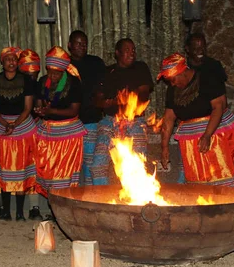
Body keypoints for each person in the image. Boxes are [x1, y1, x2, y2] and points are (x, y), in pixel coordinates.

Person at [158, 53, 234, 188]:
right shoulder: (173, 90)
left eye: (173, 79)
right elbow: (168, 118)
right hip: (190, 143)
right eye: (169, 81)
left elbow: (219, 106)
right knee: (197, 183)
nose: (172, 84)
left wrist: (207, 135)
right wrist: (164, 147)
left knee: (220, 178)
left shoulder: (208, 78)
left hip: (216, 136)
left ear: (183, 71)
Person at [91, 38, 154, 185]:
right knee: (97, 164)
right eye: (127, 50)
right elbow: (98, 100)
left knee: (138, 163)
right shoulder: (107, 72)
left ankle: (136, 200)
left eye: (133, 50)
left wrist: (124, 98)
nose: (131, 53)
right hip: (110, 120)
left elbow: (144, 93)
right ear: (117, 53)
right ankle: (102, 201)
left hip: (135, 121)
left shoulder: (141, 68)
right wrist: (107, 102)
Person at [0, 46, 37, 221]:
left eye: (14, 59)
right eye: (7, 59)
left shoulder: (26, 81)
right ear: (2, 62)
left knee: (21, 168)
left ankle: (21, 212)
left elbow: (28, 108)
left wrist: (15, 124)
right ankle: (5, 211)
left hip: (22, 125)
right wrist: (6, 124)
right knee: (4, 169)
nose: (11, 62)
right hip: (0, 124)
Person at [176, 32, 227, 183]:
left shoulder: (213, 66)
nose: (200, 50)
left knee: (214, 169)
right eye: (195, 47)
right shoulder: (182, 69)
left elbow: (221, 100)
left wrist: (210, 130)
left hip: (211, 119)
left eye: (203, 46)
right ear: (187, 49)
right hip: (189, 125)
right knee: (187, 166)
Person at [34, 46, 85, 196]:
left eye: (56, 72)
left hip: (68, 135)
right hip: (48, 133)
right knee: (49, 173)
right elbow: (39, 102)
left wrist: (51, 111)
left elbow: (74, 110)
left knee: (64, 174)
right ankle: (53, 205)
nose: (52, 75)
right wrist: (40, 109)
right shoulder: (43, 81)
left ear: (63, 70)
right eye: (50, 71)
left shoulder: (73, 83)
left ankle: (63, 205)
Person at [68, 30, 106, 185]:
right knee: (71, 166)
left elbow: (105, 86)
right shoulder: (64, 66)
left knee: (90, 164)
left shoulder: (95, 63)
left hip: (91, 120)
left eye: (84, 43)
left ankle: (90, 200)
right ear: (70, 45)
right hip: (69, 123)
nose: (82, 46)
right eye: (78, 43)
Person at [18, 48, 45, 220]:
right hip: (16, 128)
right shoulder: (13, 83)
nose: (32, 77)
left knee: (34, 167)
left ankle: (34, 206)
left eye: (34, 73)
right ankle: (6, 206)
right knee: (15, 166)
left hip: (36, 129)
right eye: (28, 73)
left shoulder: (41, 84)